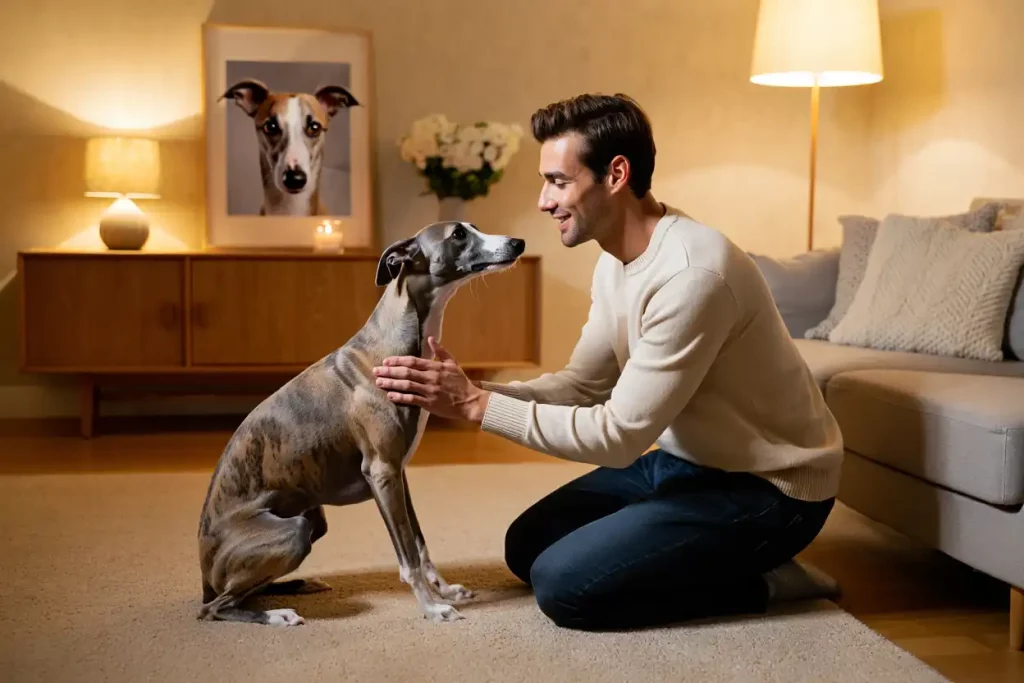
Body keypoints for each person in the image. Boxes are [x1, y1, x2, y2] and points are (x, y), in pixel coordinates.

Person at [372, 92, 843, 631]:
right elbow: (583, 385)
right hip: (688, 462)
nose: (544, 201)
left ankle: (766, 578)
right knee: (527, 546)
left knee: (566, 589)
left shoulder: (693, 275)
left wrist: (478, 407)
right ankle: (702, 550)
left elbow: (618, 438)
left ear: (616, 174)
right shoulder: (615, 260)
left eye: (558, 181)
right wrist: (471, 392)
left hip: (771, 488)